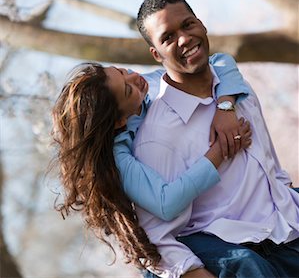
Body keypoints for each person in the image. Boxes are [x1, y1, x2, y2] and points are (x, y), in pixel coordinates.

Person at [132, 0, 299, 278]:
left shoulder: (237, 91)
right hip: (240, 256)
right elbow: (156, 237)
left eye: (187, 25)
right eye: (168, 37)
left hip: (288, 230)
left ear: (201, 24)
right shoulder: (156, 134)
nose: (183, 39)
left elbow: (272, 170)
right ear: (156, 54)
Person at [52, 54, 251, 272]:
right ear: (119, 121)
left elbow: (220, 61)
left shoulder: (153, 84)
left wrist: (226, 107)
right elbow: (167, 202)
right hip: (171, 257)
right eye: (128, 90)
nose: (135, 77)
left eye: (123, 71)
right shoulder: (119, 158)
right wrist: (221, 148)